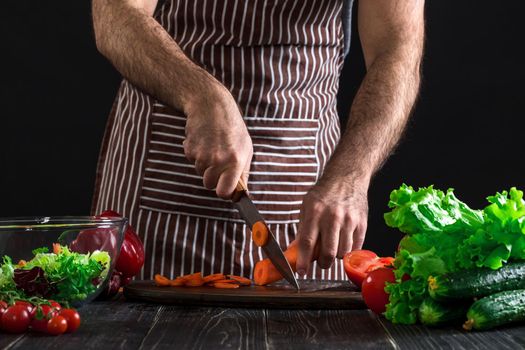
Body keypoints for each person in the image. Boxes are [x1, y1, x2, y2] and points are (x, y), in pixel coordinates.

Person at [91, 0, 424, 281]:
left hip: (306, 197)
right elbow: (115, 14)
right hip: (161, 177)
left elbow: (396, 51)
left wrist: (350, 177)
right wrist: (200, 94)